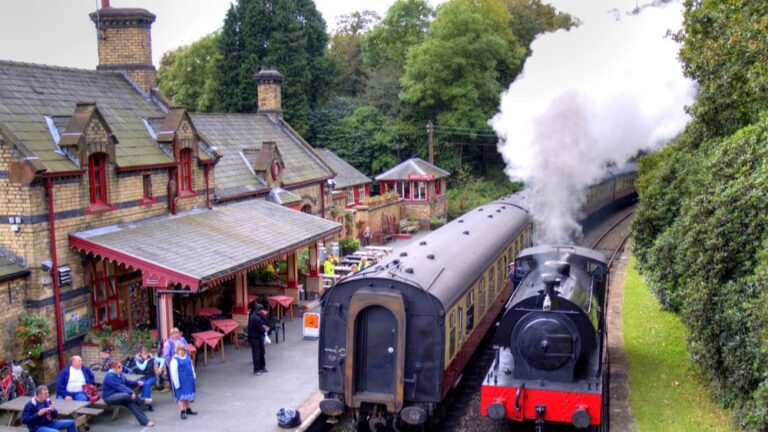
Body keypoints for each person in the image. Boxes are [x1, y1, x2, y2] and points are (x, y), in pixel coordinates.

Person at [102, 362, 154, 428]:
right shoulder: (110, 377)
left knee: (132, 404)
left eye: (121, 367)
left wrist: (137, 383)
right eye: (119, 367)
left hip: (120, 395)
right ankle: (142, 401)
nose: (121, 368)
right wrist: (131, 392)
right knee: (127, 395)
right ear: (113, 368)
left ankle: (145, 421)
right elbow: (120, 387)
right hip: (110, 397)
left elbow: (126, 381)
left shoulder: (119, 374)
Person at [169, 344, 197, 420]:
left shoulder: (187, 357)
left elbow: (191, 367)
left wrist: (194, 375)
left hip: (189, 380)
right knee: (181, 397)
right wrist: (176, 383)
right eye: (180, 350)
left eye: (183, 350)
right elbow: (174, 373)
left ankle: (188, 409)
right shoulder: (174, 360)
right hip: (181, 381)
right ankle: (182, 412)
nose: (182, 352)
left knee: (187, 395)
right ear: (177, 351)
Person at [162, 328, 189, 399]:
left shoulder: (182, 340)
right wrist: (171, 364)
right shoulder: (168, 343)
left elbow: (187, 349)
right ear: (171, 335)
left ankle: (185, 393)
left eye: (177, 333)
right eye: (174, 334)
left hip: (183, 362)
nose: (176, 335)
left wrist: (187, 359)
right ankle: (176, 395)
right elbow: (166, 356)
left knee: (183, 378)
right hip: (173, 364)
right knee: (174, 379)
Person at [247, 301, 270, 375]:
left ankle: (262, 367)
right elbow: (261, 328)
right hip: (254, 337)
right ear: (258, 310)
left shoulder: (255, 315)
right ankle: (256, 370)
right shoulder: (255, 318)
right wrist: (266, 329)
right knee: (256, 353)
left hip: (258, 336)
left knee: (262, 352)